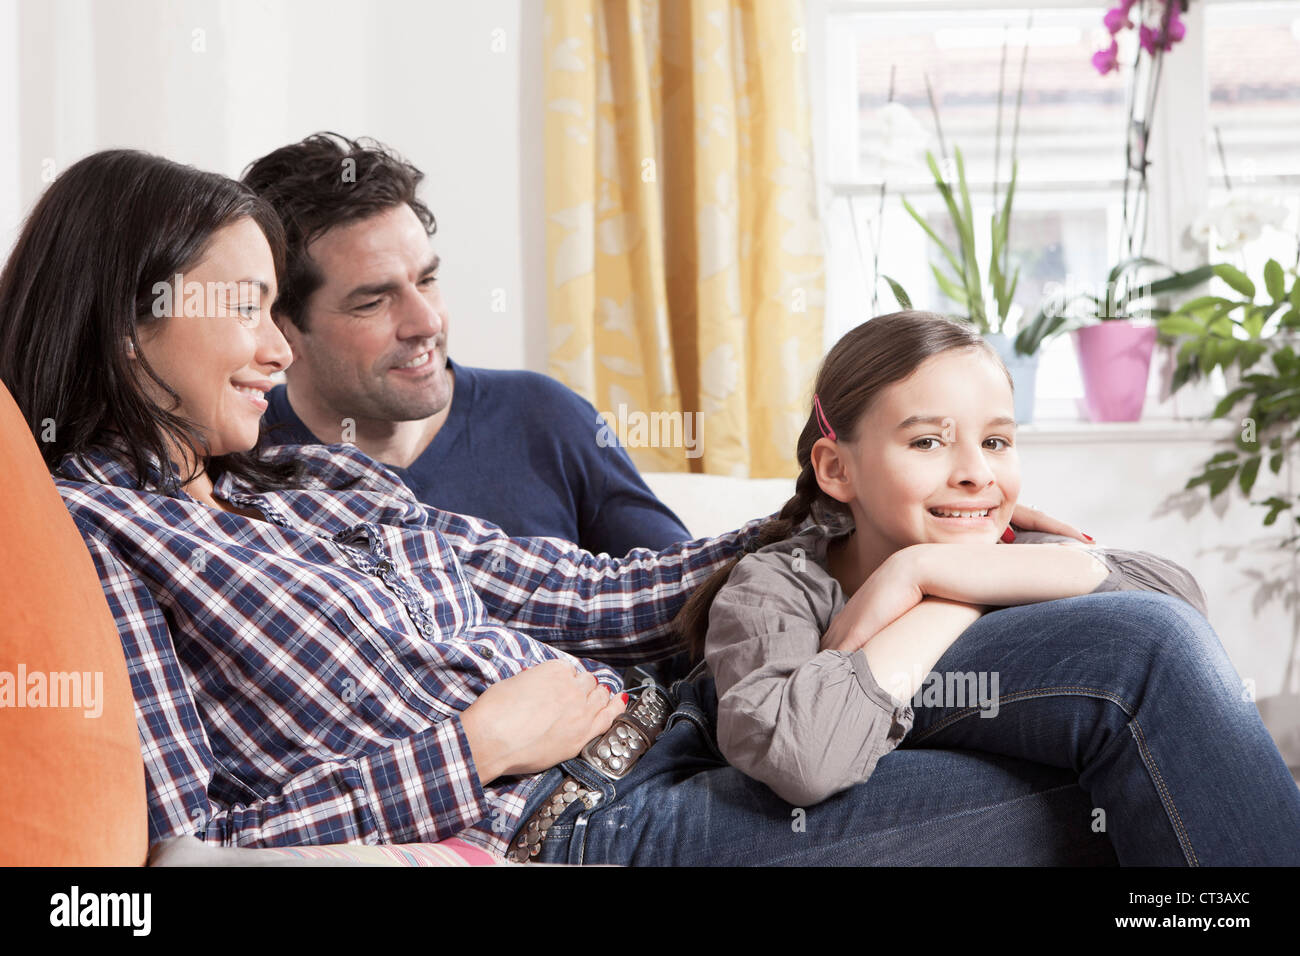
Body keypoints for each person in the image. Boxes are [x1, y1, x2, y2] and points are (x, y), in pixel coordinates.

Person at [3, 149, 1132, 866]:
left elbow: (599, 589)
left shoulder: (311, 483)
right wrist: (474, 744)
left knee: (1132, 644)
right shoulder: (97, 538)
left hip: (679, 732)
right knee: (1116, 714)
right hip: (594, 818)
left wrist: (881, 519)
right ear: (126, 316)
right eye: (246, 307)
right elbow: (181, 854)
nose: (272, 344)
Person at [672, 311, 1300, 865]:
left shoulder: (1000, 550)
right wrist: (951, 592)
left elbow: (1178, 607)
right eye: (928, 442)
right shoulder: (775, 587)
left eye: (996, 441)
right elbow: (803, 756)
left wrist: (928, 575)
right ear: (838, 469)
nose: (975, 472)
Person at [241, 132, 690, 557]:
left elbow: (695, 594)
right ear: (282, 329)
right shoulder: (238, 463)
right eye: (374, 302)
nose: (428, 321)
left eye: (428, 280)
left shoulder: (543, 417)